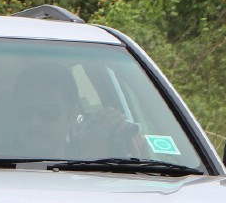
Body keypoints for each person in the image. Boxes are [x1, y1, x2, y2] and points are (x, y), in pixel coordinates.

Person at [11, 63, 143, 160]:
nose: (35, 122)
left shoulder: (105, 165)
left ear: (72, 114)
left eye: (48, 113)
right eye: (25, 112)